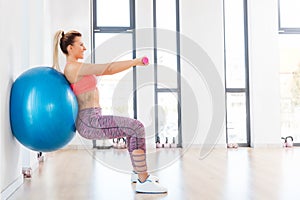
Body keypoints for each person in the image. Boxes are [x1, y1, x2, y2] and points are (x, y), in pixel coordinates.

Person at [52, 30, 167, 194]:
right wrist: (135, 61)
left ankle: (138, 174)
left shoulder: (76, 67)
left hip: (93, 118)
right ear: (70, 48)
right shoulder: (73, 68)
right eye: (81, 44)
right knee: (136, 127)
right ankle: (143, 179)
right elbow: (109, 68)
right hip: (89, 122)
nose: (84, 48)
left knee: (132, 130)